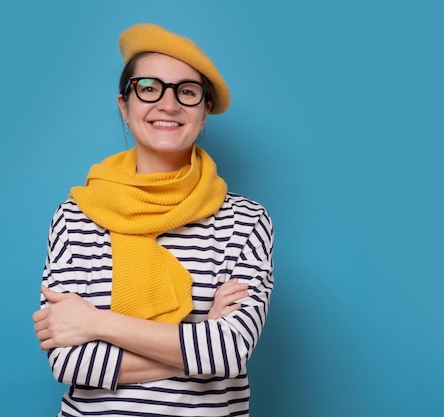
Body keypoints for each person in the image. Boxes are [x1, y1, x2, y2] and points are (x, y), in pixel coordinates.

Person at [32, 23, 274, 417]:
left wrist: (96, 323)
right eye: (149, 87)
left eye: (187, 92)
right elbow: (70, 363)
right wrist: (199, 343)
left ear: (205, 111)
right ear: (124, 105)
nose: (169, 104)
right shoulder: (77, 215)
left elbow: (230, 352)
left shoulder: (245, 221)